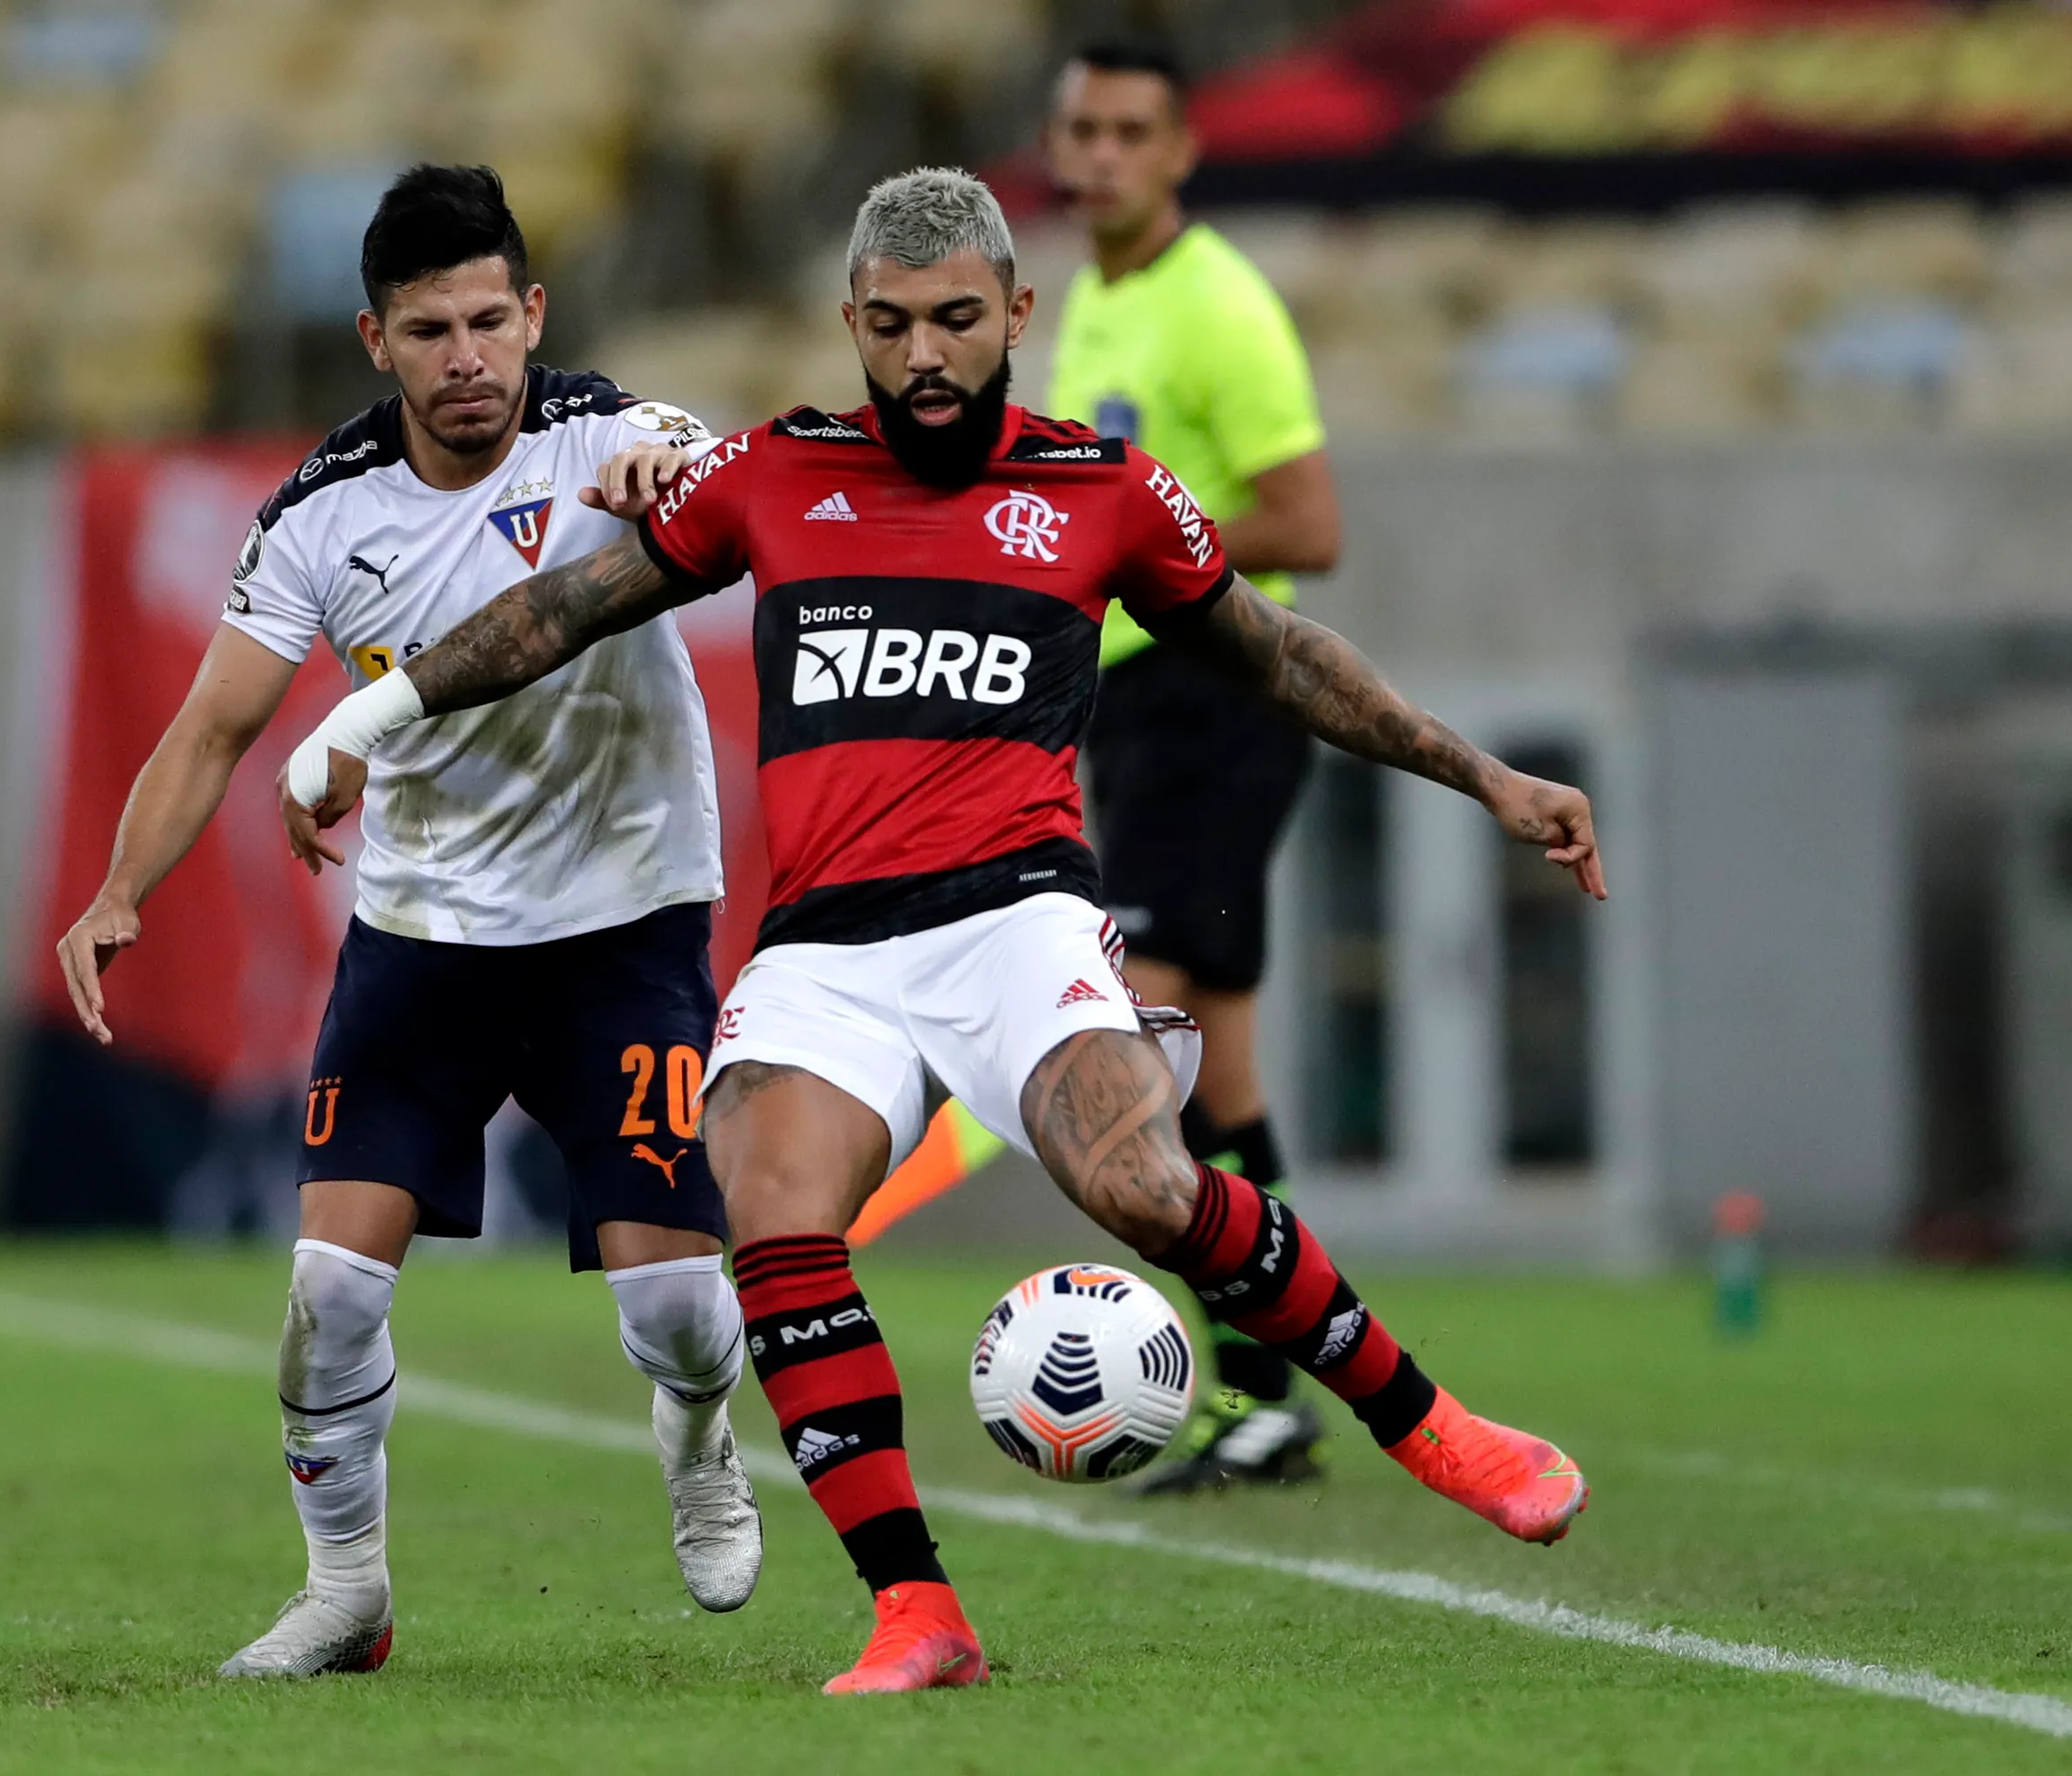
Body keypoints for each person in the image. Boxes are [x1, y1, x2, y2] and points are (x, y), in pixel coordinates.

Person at [280, 168, 1602, 1697]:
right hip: (827, 949)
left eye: (959, 321)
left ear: (1014, 318)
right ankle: (917, 1612)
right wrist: (370, 713)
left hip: (1014, 923)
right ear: (852, 319)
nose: (925, 354)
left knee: (1149, 1186)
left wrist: (1485, 775)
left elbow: (1283, 654)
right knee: (770, 1209)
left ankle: (1436, 1430)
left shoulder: (1103, 493)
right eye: (894, 324)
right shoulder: (778, 475)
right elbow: (566, 608)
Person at [53, 164, 762, 1680]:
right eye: (429, 328)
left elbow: (705, 478)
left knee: (682, 1313)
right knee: (325, 1293)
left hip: (622, 921)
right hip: (424, 934)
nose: (466, 359)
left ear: (534, 316)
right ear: (376, 339)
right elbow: (209, 730)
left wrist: (673, 479)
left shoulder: (611, 437)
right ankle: (347, 1588)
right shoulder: (320, 515)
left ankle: (701, 1442)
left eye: (490, 321)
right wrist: (120, 890)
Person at [1047, 40, 1346, 1491]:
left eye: (1128, 131)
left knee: (1139, 1058)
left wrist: (1157, 554)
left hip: (1222, 701)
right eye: (1081, 129)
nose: (1099, 154)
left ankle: (1214, 1379)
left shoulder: (1219, 307)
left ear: (1181, 151)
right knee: (1211, 1071)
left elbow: (1310, 519)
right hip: (1147, 714)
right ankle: (1259, 1396)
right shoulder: (1097, 305)